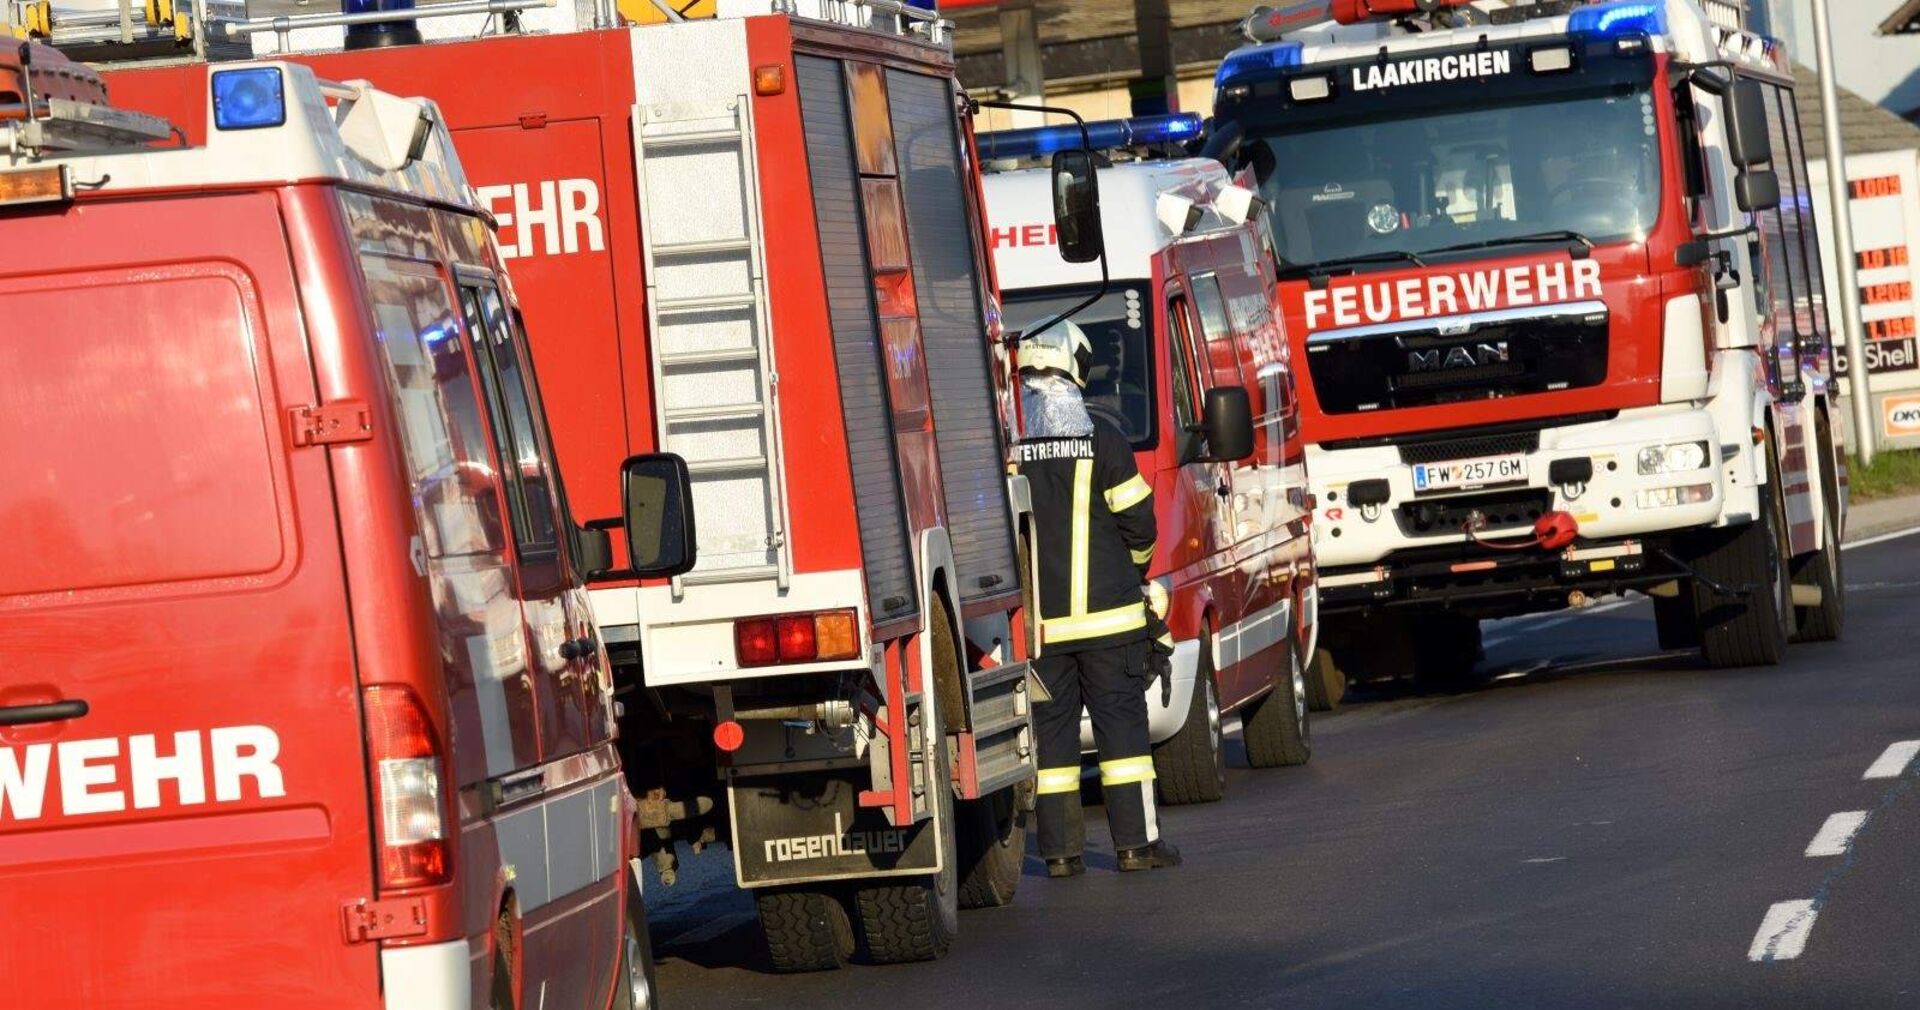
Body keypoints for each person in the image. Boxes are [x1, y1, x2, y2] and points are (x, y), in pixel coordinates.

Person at [1012, 318, 1181, 877]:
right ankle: (1136, 846)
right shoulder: (1103, 438)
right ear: (1075, 372)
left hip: (1042, 631)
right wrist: (1135, 577)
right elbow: (1141, 526)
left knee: (1054, 744)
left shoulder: (1009, 451)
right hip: (1111, 623)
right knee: (1123, 735)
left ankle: (1060, 854)